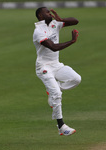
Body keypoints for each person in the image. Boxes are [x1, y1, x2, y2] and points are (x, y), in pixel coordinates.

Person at [33, 7, 81, 136]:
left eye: (50, 11)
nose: (50, 13)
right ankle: (61, 126)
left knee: (76, 79)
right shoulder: (38, 31)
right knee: (57, 94)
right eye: (47, 12)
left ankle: (55, 90)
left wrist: (61, 19)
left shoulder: (55, 24)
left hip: (56, 65)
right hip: (44, 67)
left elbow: (75, 21)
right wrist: (72, 41)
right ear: (40, 15)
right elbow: (53, 47)